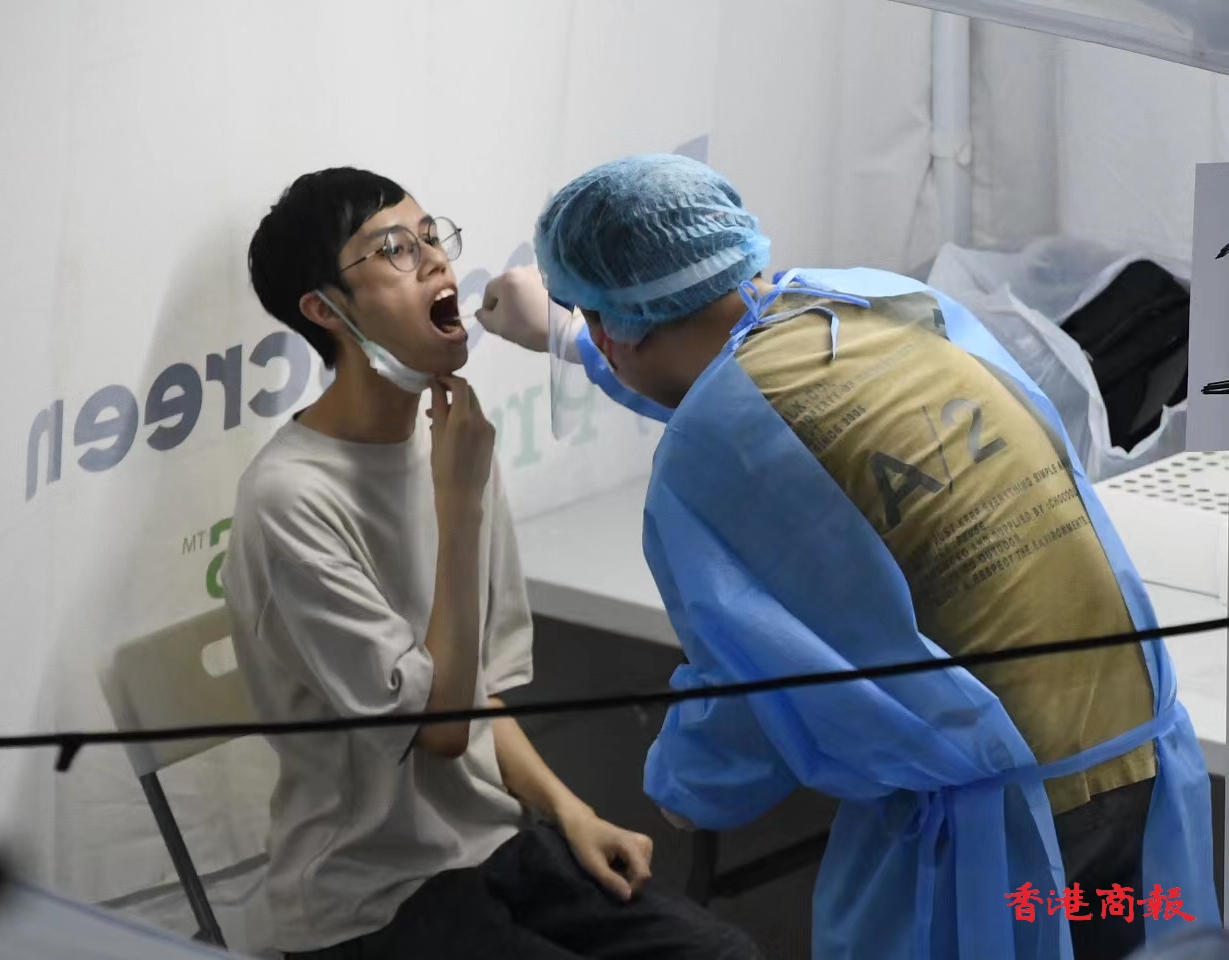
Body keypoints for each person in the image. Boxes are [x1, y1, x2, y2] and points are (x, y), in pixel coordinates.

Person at [475, 154, 1218, 960]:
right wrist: (566, 335)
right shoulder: (875, 304)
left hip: (1015, 823)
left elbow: (757, 688)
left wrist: (684, 788)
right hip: (1139, 751)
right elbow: (762, 400)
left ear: (612, 327)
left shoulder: (706, 457)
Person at [221, 167, 763, 960]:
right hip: (370, 900)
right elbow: (440, 731)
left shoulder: (449, 447)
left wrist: (572, 812)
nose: (435, 261)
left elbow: (475, 692)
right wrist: (460, 504)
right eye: (394, 249)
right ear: (324, 310)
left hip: (496, 847)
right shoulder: (291, 499)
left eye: (431, 236)